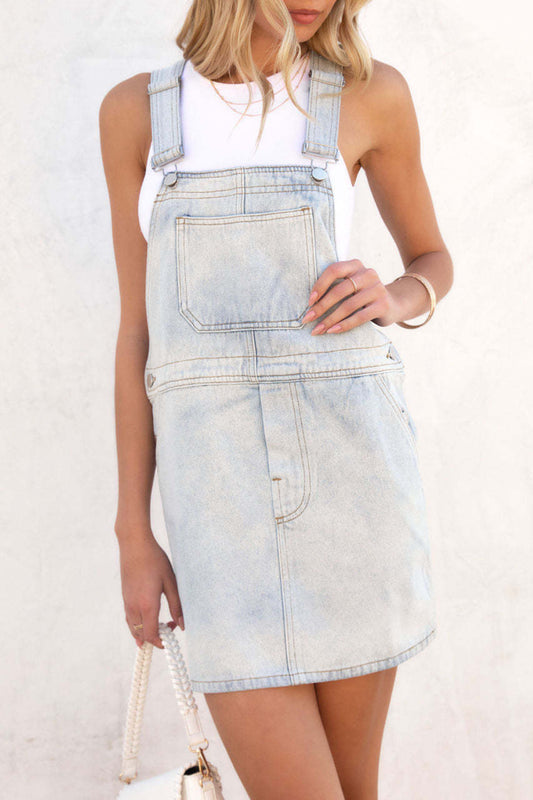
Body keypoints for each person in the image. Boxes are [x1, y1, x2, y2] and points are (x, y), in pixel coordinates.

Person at [99, 2, 453, 798]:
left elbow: (431, 256)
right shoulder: (135, 113)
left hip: (355, 486)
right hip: (217, 507)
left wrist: (395, 295)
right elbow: (137, 335)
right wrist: (133, 532)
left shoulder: (368, 95)